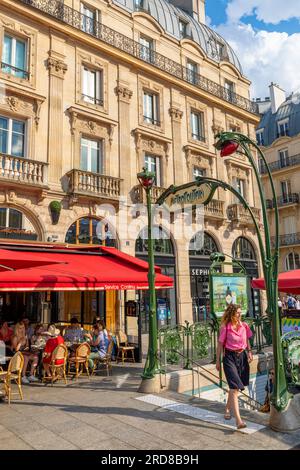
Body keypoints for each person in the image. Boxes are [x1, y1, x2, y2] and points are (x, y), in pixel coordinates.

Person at [216, 304, 253, 430]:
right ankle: (238, 421)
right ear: (232, 314)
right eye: (237, 312)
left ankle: (227, 408)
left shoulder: (244, 326)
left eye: (240, 312)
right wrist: (217, 361)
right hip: (229, 358)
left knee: (234, 389)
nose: (240, 314)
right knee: (235, 388)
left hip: (241, 357)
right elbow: (220, 345)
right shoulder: (225, 327)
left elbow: (247, 340)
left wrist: (249, 351)